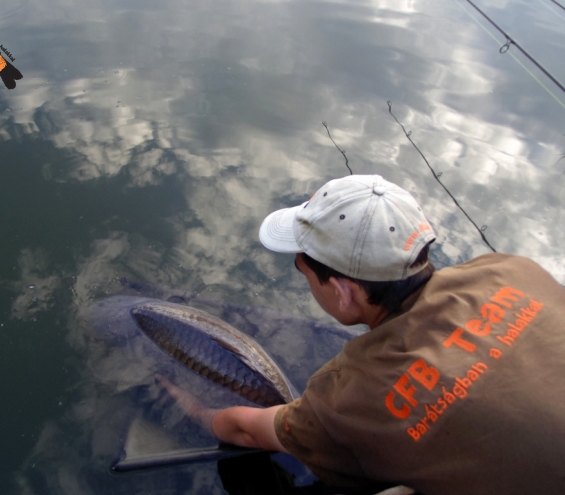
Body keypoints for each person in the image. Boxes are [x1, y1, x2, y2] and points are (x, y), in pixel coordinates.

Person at [160, 174, 565, 495]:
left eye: (301, 268)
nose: (302, 275)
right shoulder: (509, 269)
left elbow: (248, 429)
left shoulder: (355, 396)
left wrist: (195, 411)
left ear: (342, 291)